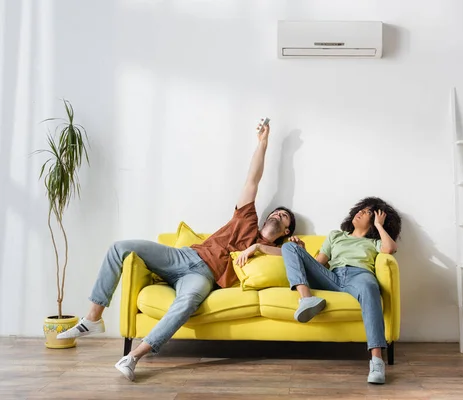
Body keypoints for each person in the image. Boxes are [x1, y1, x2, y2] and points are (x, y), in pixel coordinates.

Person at [58, 120, 296, 381]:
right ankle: (93, 318)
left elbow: (294, 258)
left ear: (286, 231)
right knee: (120, 247)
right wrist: (263, 144)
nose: (278, 214)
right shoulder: (246, 217)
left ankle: (133, 357)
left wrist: (259, 247)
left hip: (203, 277)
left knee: (187, 303)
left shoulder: (277, 251)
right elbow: (253, 178)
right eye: (276, 211)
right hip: (184, 256)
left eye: (283, 216)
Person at [281, 197, 401, 385]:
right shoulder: (335, 236)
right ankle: (306, 299)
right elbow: (320, 264)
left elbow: (390, 248)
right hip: (332, 276)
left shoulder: (374, 242)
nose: (360, 212)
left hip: (359, 276)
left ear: (377, 219)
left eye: (368, 212)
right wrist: (303, 253)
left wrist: (379, 225)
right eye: (360, 209)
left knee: (370, 287)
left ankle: (377, 361)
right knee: (289, 247)